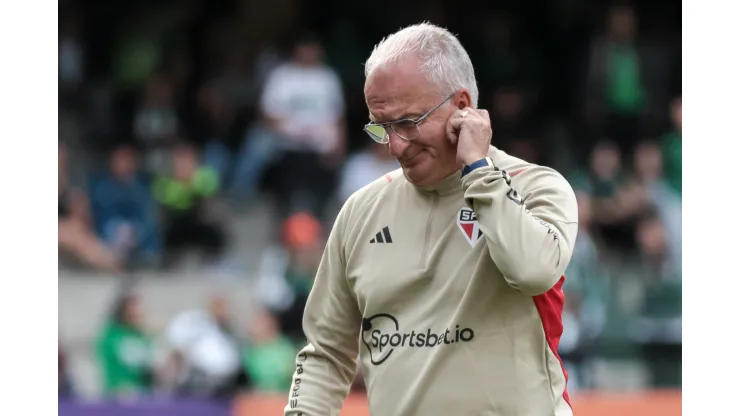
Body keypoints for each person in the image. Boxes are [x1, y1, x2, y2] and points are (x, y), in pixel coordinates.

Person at [284, 23, 578, 416]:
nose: (394, 146)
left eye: (407, 122)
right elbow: (325, 355)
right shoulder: (360, 211)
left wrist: (478, 169)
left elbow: (532, 271)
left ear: (462, 106)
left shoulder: (537, 186)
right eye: (381, 128)